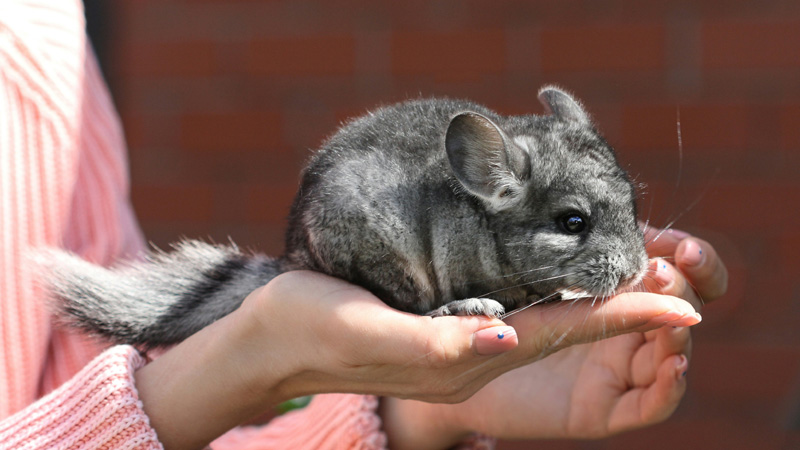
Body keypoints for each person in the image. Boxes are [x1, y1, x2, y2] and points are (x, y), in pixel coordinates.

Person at [0, 1, 728, 449]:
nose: (621, 254)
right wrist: (244, 359)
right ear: (494, 185)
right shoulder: (34, 51)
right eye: (575, 225)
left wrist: (425, 408)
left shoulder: (48, 43)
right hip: (366, 231)